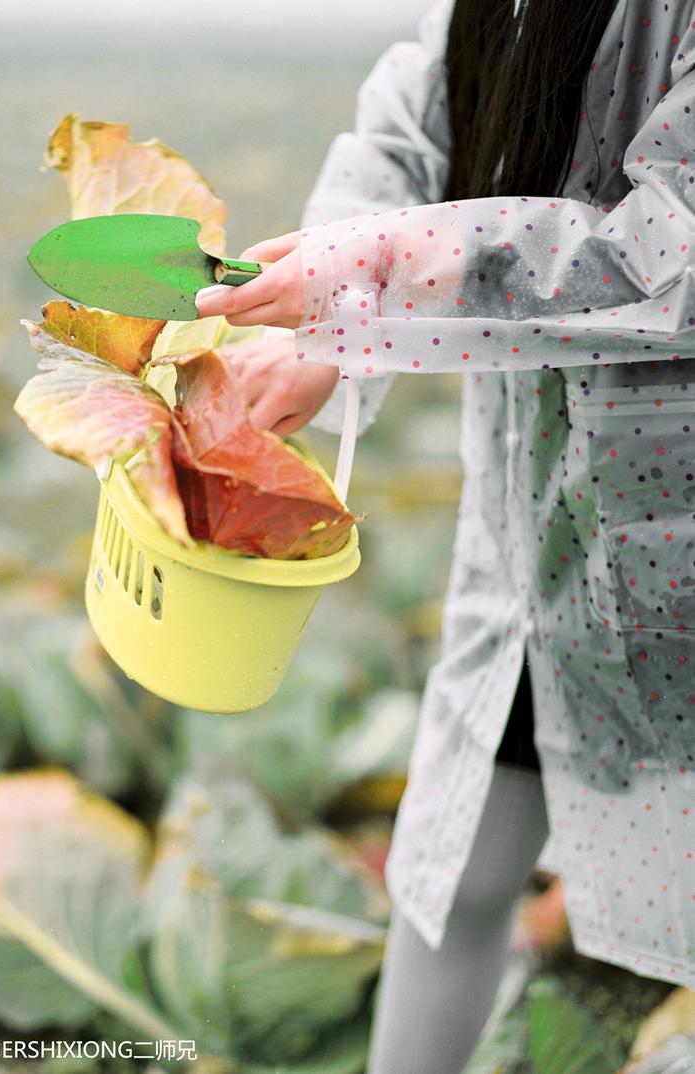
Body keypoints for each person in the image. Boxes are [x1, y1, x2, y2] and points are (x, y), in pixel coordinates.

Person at [193, 1, 695, 1071]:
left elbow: (668, 249)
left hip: (675, 539)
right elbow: (410, 137)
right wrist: (323, 313)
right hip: (531, 526)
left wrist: (374, 275)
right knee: (456, 857)